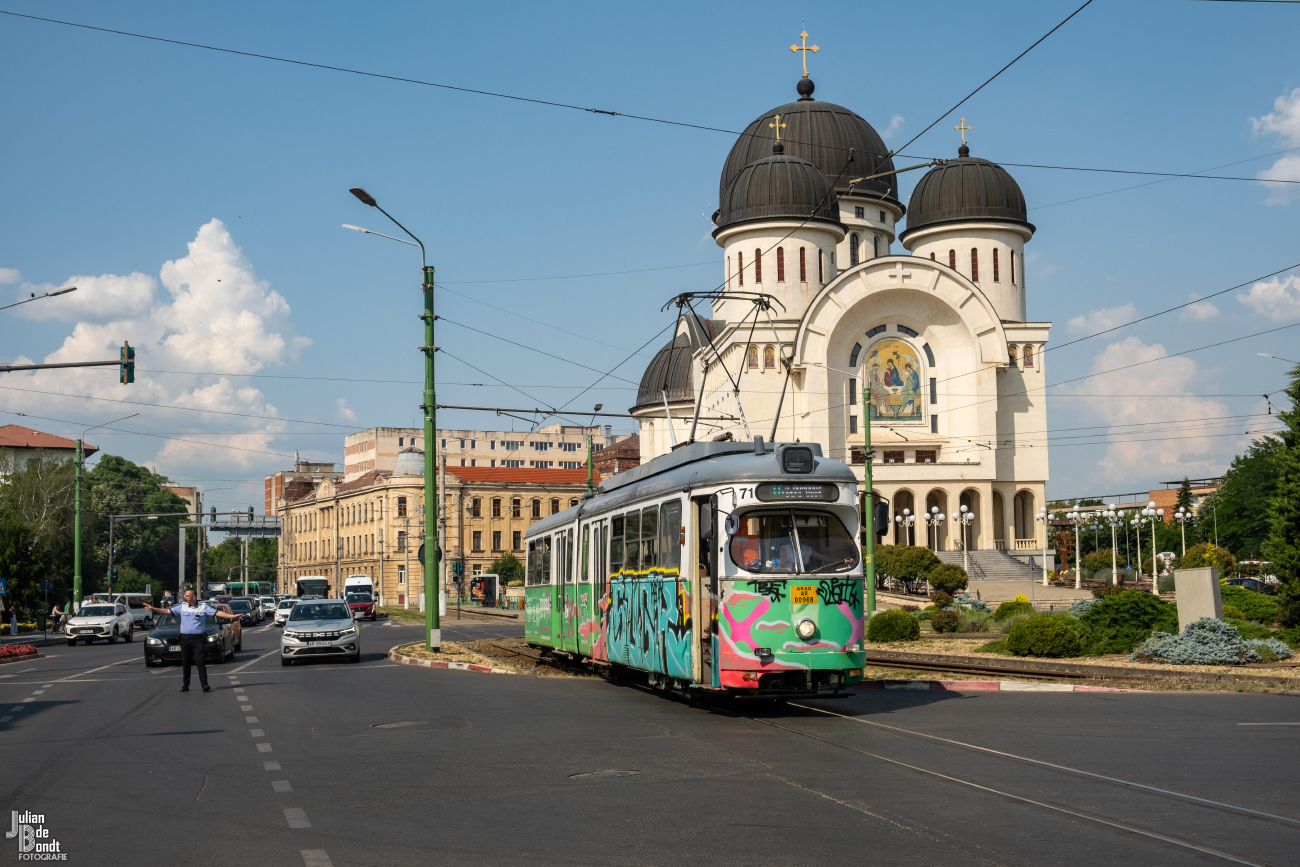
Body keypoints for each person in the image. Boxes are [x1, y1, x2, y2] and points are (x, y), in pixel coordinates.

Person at [140, 590, 242, 692]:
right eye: (185, 596)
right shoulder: (182, 607)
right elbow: (167, 611)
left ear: (194, 597)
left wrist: (232, 616)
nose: (186, 597)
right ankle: (185, 685)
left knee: (200, 662)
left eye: (188, 596)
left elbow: (217, 613)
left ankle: (205, 685)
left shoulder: (203, 607)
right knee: (186, 662)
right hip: (185, 639)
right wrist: (152, 608)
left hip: (198, 639)